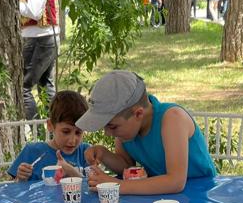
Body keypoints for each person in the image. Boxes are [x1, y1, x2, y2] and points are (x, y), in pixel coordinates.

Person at [80, 70, 216, 195]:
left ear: (138, 114)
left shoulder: (173, 118)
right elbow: (126, 167)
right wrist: (103, 154)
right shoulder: (127, 128)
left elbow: (175, 181)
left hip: (204, 193)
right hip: (160, 195)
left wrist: (117, 185)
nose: (108, 133)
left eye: (112, 127)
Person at [18, 0, 59, 120]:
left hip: (39, 37)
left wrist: (11, 4)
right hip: (44, 36)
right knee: (45, 86)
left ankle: (34, 134)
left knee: (23, 87)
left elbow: (34, 10)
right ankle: (56, 132)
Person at [8, 91, 92, 182]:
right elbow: (13, 188)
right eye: (66, 132)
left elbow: (94, 188)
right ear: (50, 125)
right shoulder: (32, 152)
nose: (72, 140)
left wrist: (72, 172)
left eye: (78, 132)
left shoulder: (86, 153)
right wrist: (20, 178)